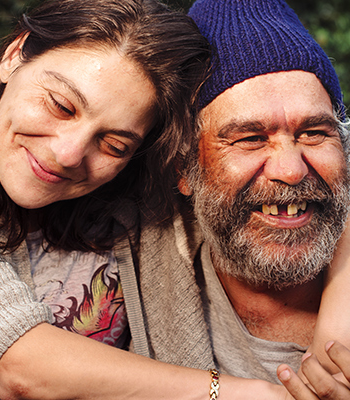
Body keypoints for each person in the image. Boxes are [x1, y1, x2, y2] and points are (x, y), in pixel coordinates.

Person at [0, 0, 348, 399]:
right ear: (15, 54)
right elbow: (20, 367)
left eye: (115, 142)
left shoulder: (128, 185)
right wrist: (245, 394)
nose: (68, 153)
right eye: (60, 105)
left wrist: (338, 319)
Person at [113, 0, 350, 398]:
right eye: (250, 138)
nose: (291, 170)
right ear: (183, 170)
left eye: (314, 132)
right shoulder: (121, 244)